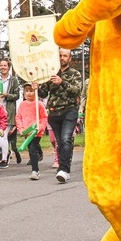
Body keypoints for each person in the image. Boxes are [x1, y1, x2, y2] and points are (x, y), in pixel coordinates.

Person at [38, 48, 83, 183]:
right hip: (54, 112)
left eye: (65, 56)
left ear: (69, 59)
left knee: (65, 139)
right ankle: (63, 168)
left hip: (69, 110)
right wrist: (37, 87)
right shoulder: (51, 74)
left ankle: (64, 170)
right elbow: (44, 93)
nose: (62, 58)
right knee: (60, 143)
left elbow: (76, 91)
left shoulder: (75, 74)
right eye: (60, 56)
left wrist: (61, 82)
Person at [0, 59, 22, 166]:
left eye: (5, 65)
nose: (3, 67)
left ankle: (4, 159)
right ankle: (5, 152)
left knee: (3, 134)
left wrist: (7, 95)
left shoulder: (13, 80)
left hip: (8, 111)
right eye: (1, 65)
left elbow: (17, 95)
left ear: (9, 67)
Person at [16, 83, 48, 180]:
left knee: (32, 148)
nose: (29, 93)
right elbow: (18, 117)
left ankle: (35, 170)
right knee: (31, 148)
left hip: (36, 131)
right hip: (27, 131)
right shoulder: (22, 105)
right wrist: (21, 129)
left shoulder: (39, 104)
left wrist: (40, 127)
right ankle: (39, 152)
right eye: (27, 91)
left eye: (31, 91)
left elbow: (44, 117)